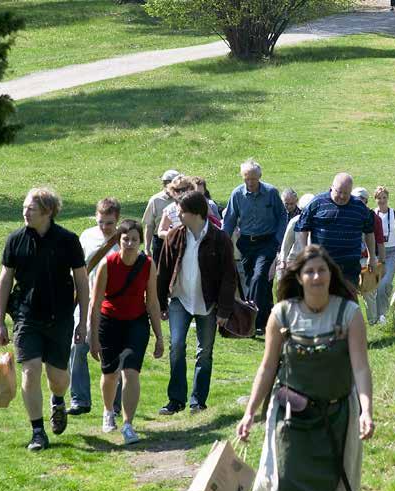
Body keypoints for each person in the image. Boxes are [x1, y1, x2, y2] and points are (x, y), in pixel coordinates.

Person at [236, 245, 374, 491]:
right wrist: (250, 411)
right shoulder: (282, 315)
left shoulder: (349, 314)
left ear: (331, 275)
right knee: (285, 487)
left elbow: (360, 366)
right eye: (309, 271)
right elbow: (268, 366)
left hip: (336, 418)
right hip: (290, 418)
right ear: (298, 277)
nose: (316, 277)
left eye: (321, 271)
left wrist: (367, 410)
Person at [0, 188, 88, 452]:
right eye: (24, 207)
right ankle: (37, 432)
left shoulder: (68, 240)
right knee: (30, 370)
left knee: (57, 378)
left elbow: (81, 281)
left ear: (47, 212)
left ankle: (58, 400)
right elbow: (5, 280)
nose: (25, 212)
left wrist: (82, 322)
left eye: (30, 208)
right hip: (26, 317)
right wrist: (0, 320)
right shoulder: (15, 240)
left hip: (60, 318)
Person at [157, 191, 236, 415]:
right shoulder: (174, 236)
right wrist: (161, 303)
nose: (178, 214)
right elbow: (162, 272)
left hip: (208, 304)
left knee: (205, 352)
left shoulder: (220, 239)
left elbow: (229, 277)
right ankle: (176, 400)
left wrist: (224, 310)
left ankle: (197, 401)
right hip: (180, 301)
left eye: (182, 211)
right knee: (177, 347)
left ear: (196, 214)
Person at [89, 220, 164, 443]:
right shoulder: (108, 264)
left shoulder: (148, 264)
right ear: (119, 241)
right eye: (125, 239)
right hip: (109, 322)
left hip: (136, 323)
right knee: (110, 374)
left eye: (134, 239)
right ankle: (108, 412)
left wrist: (160, 337)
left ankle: (128, 424)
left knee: (131, 373)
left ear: (141, 241)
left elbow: (152, 302)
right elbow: (95, 303)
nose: (130, 243)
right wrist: (92, 337)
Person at [68, 198, 122, 419]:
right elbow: (77, 267)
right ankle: (79, 400)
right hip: (86, 299)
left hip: (113, 304)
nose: (104, 227)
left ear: (116, 220)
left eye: (109, 223)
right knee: (77, 346)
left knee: (113, 353)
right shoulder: (87, 236)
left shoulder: (124, 240)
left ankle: (115, 405)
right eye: (101, 222)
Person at [222, 159, 287, 334]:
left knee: (259, 277)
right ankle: (267, 319)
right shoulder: (237, 194)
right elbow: (229, 220)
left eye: (253, 179)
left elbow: (282, 217)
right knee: (255, 282)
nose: (250, 183)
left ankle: (250, 321)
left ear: (259, 177)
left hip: (267, 242)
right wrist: (223, 241)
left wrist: (278, 241)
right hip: (246, 243)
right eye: (246, 179)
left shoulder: (271, 193)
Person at [295, 173, 376, 288]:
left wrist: (371, 257)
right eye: (339, 192)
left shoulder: (360, 207)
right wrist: (305, 255)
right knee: (322, 303)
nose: (342, 196)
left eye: (346, 193)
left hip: (349, 268)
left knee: (346, 303)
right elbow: (301, 229)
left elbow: (369, 232)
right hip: (322, 267)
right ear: (332, 187)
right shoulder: (317, 203)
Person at [352, 186, 386, 324]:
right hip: (351, 259)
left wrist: (381, 263)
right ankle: (354, 323)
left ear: (366, 201)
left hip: (368, 259)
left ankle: (373, 321)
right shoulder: (347, 216)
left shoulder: (374, 218)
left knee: (369, 293)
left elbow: (380, 242)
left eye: (361, 200)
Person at [373, 186, 395, 323]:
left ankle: (382, 315)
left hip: (392, 252)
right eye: (379, 198)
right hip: (377, 252)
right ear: (375, 200)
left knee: (383, 283)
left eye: (384, 198)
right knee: (378, 285)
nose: (382, 201)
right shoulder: (373, 214)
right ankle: (380, 313)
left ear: (388, 198)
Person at [142, 169, 179, 264]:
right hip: (160, 241)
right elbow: (149, 225)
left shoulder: (182, 200)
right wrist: (147, 248)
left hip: (179, 240)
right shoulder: (155, 200)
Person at [276, 192, 313, 282]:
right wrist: (283, 260)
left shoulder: (317, 222)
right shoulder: (295, 221)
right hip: (293, 259)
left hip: (309, 260)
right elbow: (286, 242)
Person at [157, 175, 197, 241]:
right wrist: (174, 235)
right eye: (177, 190)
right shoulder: (169, 209)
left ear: (190, 188)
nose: (180, 192)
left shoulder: (198, 205)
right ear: (172, 191)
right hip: (178, 246)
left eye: (183, 189)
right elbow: (161, 232)